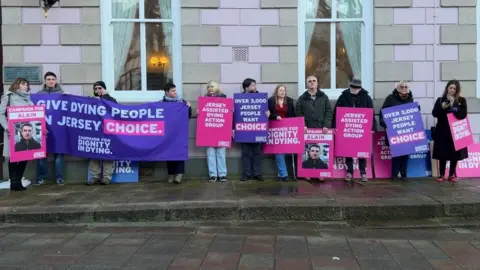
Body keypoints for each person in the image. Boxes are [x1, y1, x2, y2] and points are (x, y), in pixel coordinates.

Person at [332, 76, 376, 182]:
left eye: (356, 87)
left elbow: (371, 113)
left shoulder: (367, 97)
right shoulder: (343, 97)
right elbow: (336, 112)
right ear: (349, 86)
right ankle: (349, 172)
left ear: (360, 88)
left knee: (362, 151)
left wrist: (372, 127)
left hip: (361, 129)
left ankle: (363, 173)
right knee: (348, 151)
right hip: (347, 128)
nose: (354, 89)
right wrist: (335, 126)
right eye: (352, 87)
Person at [0, 78, 36, 191]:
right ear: (17, 85)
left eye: (27, 84)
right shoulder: (8, 96)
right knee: (13, 158)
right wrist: (7, 127)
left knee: (25, 156)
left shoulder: (28, 99)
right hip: (12, 132)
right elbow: (0, 114)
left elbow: (35, 115)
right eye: (23, 84)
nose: (25, 86)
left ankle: (18, 181)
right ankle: (14, 183)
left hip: (26, 133)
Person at [295, 75, 333, 182]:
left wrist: (326, 125)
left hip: (321, 129)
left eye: (314, 81)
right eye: (309, 81)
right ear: (307, 84)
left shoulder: (324, 97)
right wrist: (303, 125)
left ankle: (319, 174)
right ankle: (307, 173)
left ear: (317, 83)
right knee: (306, 148)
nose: (312, 83)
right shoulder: (302, 98)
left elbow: (329, 111)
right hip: (307, 129)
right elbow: (298, 112)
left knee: (318, 147)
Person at [379, 81, 417, 181]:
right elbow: (382, 113)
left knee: (406, 154)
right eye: (402, 86)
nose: (404, 88)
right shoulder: (390, 98)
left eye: (406, 87)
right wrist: (384, 124)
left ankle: (404, 174)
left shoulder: (410, 99)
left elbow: (413, 115)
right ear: (397, 88)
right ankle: (395, 174)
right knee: (396, 154)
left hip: (406, 131)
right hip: (394, 131)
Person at [233, 78, 270, 182]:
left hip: (258, 130)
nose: (255, 87)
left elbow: (265, 112)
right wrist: (233, 128)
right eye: (253, 85)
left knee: (257, 152)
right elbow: (235, 115)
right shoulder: (239, 99)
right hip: (243, 131)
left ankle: (257, 173)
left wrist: (268, 114)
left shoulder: (261, 98)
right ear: (246, 87)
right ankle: (246, 173)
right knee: (246, 153)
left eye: (255, 85)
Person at [432, 80, 468, 182]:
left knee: (455, 153)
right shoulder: (440, 100)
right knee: (442, 152)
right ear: (447, 88)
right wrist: (444, 106)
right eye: (450, 88)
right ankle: (442, 174)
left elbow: (463, 114)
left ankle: (452, 174)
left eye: (454, 88)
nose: (452, 90)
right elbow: (435, 113)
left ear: (457, 90)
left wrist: (456, 109)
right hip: (442, 130)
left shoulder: (461, 100)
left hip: (455, 130)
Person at [35, 71, 66, 186]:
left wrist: (67, 97)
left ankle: (59, 177)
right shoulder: (39, 94)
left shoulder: (62, 94)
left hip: (59, 129)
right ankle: (40, 177)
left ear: (56, 81)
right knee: (41, 154)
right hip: (43, 129)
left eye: (53, 79)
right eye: (48, 79)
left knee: (59, 154)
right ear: (45, 81)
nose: (51, 81)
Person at [87, 81, 117, 185]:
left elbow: (115, 112)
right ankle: (95, 176)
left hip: (107, 131)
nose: (98, 90)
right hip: (95, 131)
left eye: (100, 88)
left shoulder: (111, 100)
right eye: (95, 89)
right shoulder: (91, 100)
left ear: (104, 89)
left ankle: (107, 177)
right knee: (94, 153)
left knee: (107, 154)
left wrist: (101, 101)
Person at [162, 82, 192, 184]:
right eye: (172, 90)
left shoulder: (182, 102)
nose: (175, 92)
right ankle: (171, 174)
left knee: (179, 151)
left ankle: (179, 174)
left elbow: (188, 115)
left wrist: (188, 107)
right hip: (167, 132)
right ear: (167, 92)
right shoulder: (162, 103)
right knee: (168, 153)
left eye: (175, 90)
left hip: (179, 132)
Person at [199, 80, 228, 182]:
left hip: (221, 129)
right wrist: (200, 112)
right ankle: (213, 174)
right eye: (208, 87)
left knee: (221, 153)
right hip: (209, 130)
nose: (210, 88)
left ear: (216, 87)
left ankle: (222, 174)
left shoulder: (224, 98)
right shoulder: (204, 100)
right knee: (210, 153)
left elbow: (227, 114)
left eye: (212, 86)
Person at [267, 84, 295, 181]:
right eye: (280, 90)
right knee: (279, 151)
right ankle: (284, 174)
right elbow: (268, 114)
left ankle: (280, 174)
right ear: (276, 92)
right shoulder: (271, 100)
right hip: (275, 128)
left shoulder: (290, 101)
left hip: (287, 128)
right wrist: (275, 116)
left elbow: (293, 115)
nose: (283, 92)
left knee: (283, 151)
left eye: (284, 90)